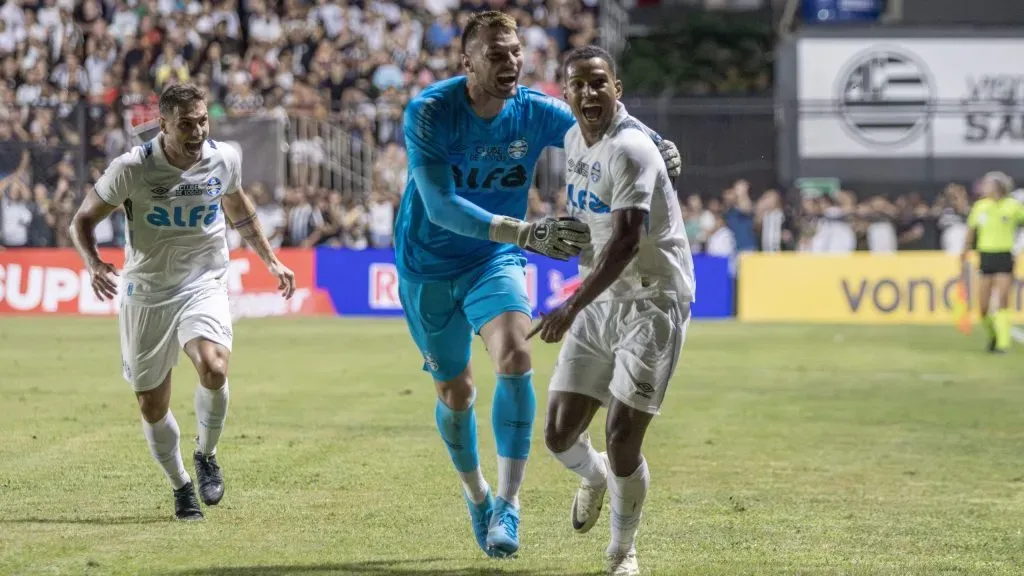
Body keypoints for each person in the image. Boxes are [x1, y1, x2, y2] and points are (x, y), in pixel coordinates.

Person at [395, 11, 681, 558]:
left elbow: (600, 116)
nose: (511, 63)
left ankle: (508, 503)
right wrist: (525, 231)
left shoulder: (532, 111)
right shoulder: (431, 112)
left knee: (516, 359)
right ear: (468, 62)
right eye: (496, 55)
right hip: (426, 266)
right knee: (456, 392)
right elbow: (438, 206)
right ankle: (476, 493)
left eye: (516, 52)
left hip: (493, 261)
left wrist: (659, 140)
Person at [68, 83, 296, 521]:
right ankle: (181, 486)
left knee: (214, 366)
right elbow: (82, 221)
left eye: (203, 121)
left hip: (203, 281)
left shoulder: (223, 158)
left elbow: (238, 206)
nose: (197, 132)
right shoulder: (131, 168)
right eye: (187, 125)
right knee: (151, 404)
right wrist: (94, 263)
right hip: (147, 292)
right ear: (165, 125)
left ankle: (206, 454)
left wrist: (270, 260)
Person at [531, 45, 696, 576]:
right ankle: (595, 477)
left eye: (598, 83)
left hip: (651, 299)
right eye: (577, 84)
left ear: (616, 88)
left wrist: (568, 305)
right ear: (566, 91)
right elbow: (594, 221)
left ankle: (623, 551)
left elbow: (625, 242)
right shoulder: (572, 136)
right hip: (600, 295)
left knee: (622, 434)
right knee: (558, 434)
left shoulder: (630, 150)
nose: (587, 92)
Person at [962, 171, 1024, 354]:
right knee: (982, 307)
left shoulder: (1013, 206)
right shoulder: (980, 207)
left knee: (1003, 300)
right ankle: (993, 335)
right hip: (986, 257)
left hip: (1005, 256)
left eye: (987, 184)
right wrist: (964, 252)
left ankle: (1002, 345)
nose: (983, 187)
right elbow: (971, 231)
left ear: (998, 187)